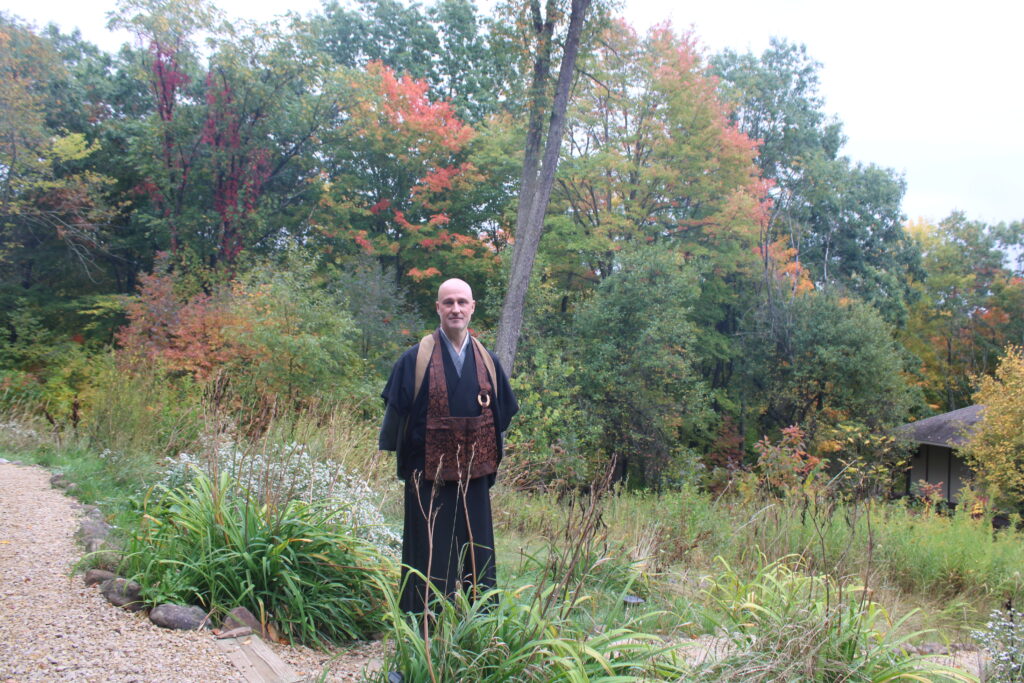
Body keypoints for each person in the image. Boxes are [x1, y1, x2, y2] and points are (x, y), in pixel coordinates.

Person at [379, 278, 518, 614]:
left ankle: (478, 630)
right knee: (427, 554)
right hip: (427, 476)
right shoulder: (414, 360)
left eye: (462, 302)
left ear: (472, 308)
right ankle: (421, 629)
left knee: (477, 554)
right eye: (448, 302)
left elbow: (501, 418)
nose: (455, 309)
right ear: (438, 308)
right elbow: (395, 421)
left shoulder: (488, 362)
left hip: (475, 476)